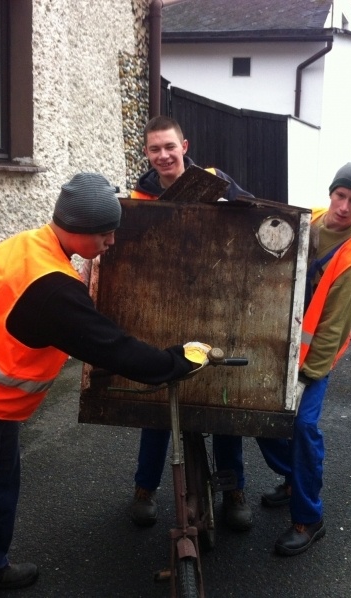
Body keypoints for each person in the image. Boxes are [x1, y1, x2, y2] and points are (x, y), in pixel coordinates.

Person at [0, 173, 211, 597]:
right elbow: (110, 347)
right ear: (79, 228)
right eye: (105, 234)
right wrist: (174, 361)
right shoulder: (53, 288)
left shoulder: (23, 244)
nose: (111, 242)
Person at [128, 115, 255, 532]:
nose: (163, 155)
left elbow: (250, 220)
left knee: (222, 400)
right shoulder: (140, 198)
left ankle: (233, 490)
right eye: (155, 149)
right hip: (163, 306)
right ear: (146, 153)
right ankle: (144, 488)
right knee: (158, 401)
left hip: (215, 302)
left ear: (184, 146)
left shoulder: (215, 181)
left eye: (170, 146)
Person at [257, 162, 351, 556]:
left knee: (303, 427)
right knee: (260, 418)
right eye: (340, 195)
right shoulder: (309, 220)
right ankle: (294, 478)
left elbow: (333, 328)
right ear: (331, 193)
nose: (343, 206)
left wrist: (307, 376)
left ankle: (309, 518)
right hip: (275, 345)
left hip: (312, 360)